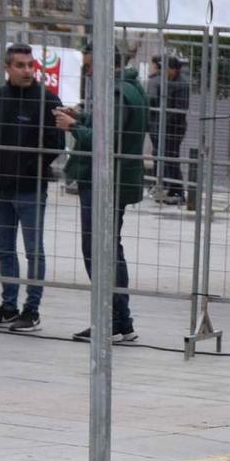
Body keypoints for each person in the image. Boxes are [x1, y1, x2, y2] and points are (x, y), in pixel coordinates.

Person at [59, 47, 147, 343]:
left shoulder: (118, 94)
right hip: (113, 181)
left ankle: (111, 320)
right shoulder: (128, 89)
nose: (87, 73)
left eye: (89, 67)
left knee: (99, 251)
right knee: (109, 248)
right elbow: (107, 129)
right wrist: (83, 117)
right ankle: (120, 321)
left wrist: (73, 126)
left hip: (106, 182)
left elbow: (103, 142)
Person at [0, 43, 64, 332]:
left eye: (30, 65)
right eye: (20, 65)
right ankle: (9, 306)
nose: (27, 70)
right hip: (1, 187)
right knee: (4, 248)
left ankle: (32, 309)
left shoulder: (48, 100)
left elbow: (56, 144)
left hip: (30, 188)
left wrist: (31, 169)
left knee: (33, 250)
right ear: (8, 68)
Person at [148, 53, 191, 203]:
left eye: (166, 68)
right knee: (164, 157)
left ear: (174, 69)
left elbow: (180, 109)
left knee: (171, 158)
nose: (164, 72)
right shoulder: (166, 81)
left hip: (174, 128)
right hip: (163, 127)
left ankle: (177, 192)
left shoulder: (181, 84)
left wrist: (163, 122)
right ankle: (170, 189)